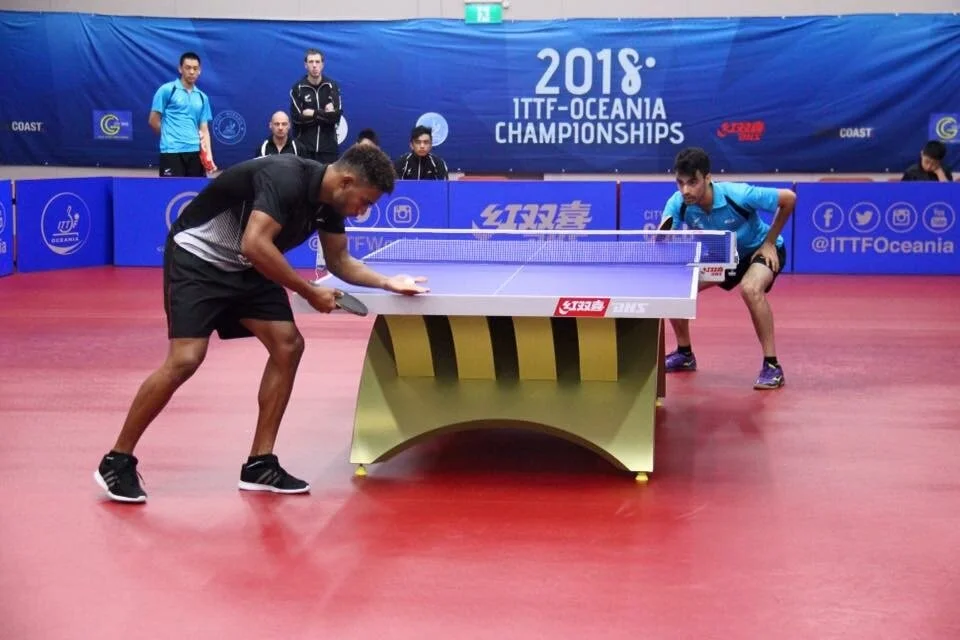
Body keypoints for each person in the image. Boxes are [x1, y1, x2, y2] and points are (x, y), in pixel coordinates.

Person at [93, 145, 429, 504]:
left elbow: (340, 260)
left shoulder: (330, 204)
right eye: (365, 201)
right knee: (186, 359)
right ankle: (117, 461)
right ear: (346, 181)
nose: (363, 211)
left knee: (288, 344)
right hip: (199, 258)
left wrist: (386, 281)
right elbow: (254, 244)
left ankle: (259, 463)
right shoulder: (285, 178)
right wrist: (309, 291)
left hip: (245, 266)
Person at [660, 147, 796, 390]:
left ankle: (772, 366)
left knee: (751, 289)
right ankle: (685, 353)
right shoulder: (678, 203)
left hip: (760, 251)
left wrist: (768, 243)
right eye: (680, 183)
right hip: (724, 257)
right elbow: (665, 232)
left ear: (707, 178)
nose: (686, 190)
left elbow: (788, 199)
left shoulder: (738, 194)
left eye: (692, 182)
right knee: (676, 286)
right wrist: (661, 240)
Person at [149, 52, 217, 177]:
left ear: (199, 71)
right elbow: (153, 120)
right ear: (180, 69)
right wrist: (169, 137)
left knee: (196, 194)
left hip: (196, 153)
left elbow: (204, 129)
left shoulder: (203, 97)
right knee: (170, 193)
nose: (191, 72)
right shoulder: (166, 90)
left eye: (195, 68)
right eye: (188, 67)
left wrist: (209, 156)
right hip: (171, 152)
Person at [289, 48, 342, 163]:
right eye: (311, 62)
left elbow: (336, 117)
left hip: (328, 150)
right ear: (305, 65)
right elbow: (297, 119)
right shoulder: (297, 89)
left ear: (322, 64)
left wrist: (313, 113)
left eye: (317, 62)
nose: (314, 66)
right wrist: (325, 115)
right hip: (304, 149)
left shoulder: (332, 86)